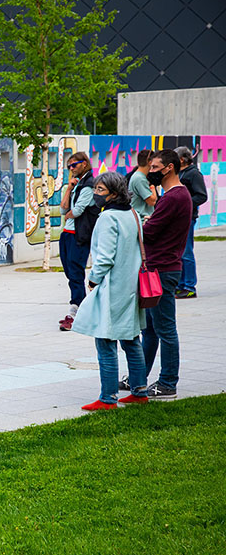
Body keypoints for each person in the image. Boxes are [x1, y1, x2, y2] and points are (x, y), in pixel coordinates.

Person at [71, 173, 149, 410]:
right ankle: (139, 391)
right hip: (130, 287)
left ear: (114, 193)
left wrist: (93, 280)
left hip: (111, 288)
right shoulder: (133, 214)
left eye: (101, 189)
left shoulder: (107, 218)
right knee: (131, 339)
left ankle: (108, 398)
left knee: (105, 342)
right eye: (95, 188)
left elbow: (104, 258)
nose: (96, 193)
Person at [137, 149, 193, 400]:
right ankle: (139, 377)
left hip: (162, 269)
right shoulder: (173, 196)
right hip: (160, 267)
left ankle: (168, 382)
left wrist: (144, 224)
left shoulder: (174, 197)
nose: (151, 172)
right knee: (150, 328)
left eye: (155, 167)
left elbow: (150, 232)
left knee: (165, 329)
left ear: (169, 167)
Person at [58, 152, 95, 332]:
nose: (71, 168)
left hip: (78, 234)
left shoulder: (88, 185)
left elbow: (78, 210)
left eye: (74, 165)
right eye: (69, 166)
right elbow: (62, 207)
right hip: (67, 234)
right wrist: (68, 189)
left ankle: (75, 312)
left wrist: (67, 214)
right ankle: (83, 307)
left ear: (84, 164)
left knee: (75, 273)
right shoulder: (77, 185)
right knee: (70, 272)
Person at [174, 146, 207, 299]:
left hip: (188, 217)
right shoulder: (179, 173)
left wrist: (184, 203)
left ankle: (189, 286)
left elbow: (202, 196)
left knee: (186, 252)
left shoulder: (194, 174)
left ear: (182, 159)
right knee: (179, 252)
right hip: (177, 218)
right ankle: (180, 285)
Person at [128, 149, 158, 218]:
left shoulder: (138, 176)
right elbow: (152, 201)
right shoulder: (140, 179)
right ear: (150, 162)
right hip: (142, 219)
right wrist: (152, 186)